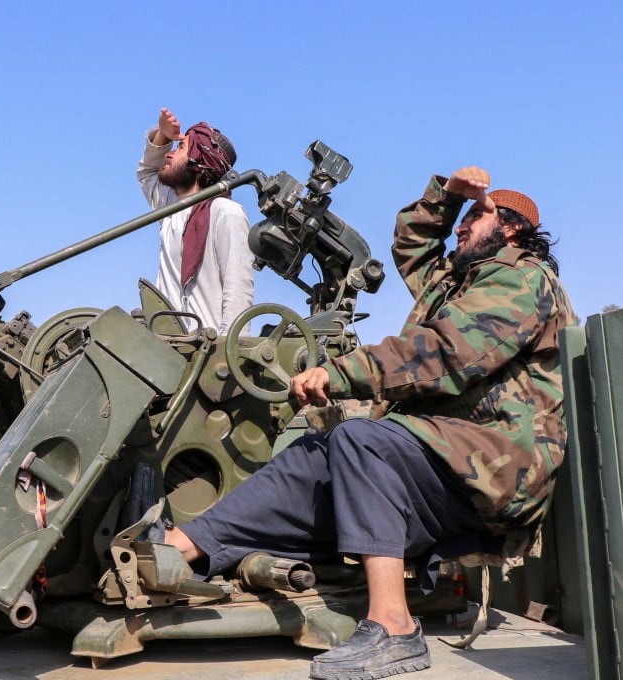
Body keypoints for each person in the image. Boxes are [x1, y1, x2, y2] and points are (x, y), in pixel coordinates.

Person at [160, 166, 577, 679]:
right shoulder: (457, 282)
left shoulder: (523, 278)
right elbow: (413, 246)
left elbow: (447, 353)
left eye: (476, 217)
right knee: (315, 455)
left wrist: (342, 374)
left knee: (362, 440)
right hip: (446, 460)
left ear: (510, 228)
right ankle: (186, 544)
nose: (463, 228)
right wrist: (445, 199)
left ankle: (394, 625)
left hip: (496, 467)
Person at [137, 107, 254, 334]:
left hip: (206, 352)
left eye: (180, 147)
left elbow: (238, 289)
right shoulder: (170, 207)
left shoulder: (226, 213)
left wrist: (228, 353)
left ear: (198, 162)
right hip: (167, 347)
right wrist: (163, 136)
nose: (169, 154)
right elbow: (148, 173)